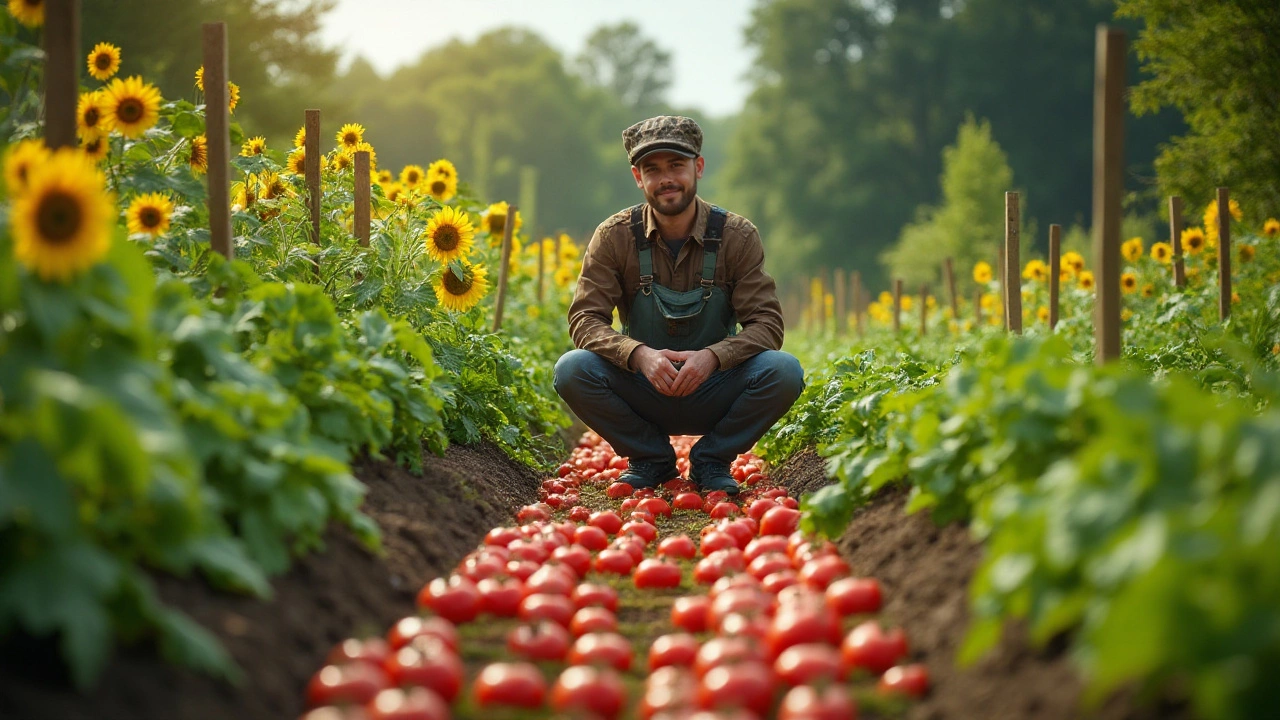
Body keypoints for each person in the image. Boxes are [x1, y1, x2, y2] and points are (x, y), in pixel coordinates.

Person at [554, 115, 803, 495]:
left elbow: (768, 324)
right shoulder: (614, 236)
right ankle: (650, 458)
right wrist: (638, 355)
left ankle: (712, 460)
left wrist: (714, 357)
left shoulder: (737, 236)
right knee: (572, 369)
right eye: (652, 169)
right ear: (638, 177)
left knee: (783, 371)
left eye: (676, 165)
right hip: (642, 388)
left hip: (715, 388)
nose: (666, 178)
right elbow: (584, 319)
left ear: (698, 167)